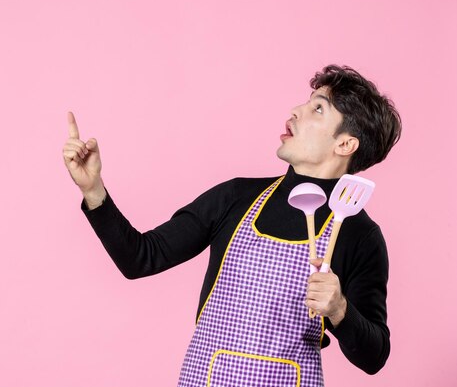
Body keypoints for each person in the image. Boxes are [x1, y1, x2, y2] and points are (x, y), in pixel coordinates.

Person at [62, 65, 402, 386]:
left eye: (318, 109)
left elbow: (375, 356)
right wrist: (93, 189)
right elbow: (140, 258)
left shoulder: (357, 234)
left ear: (345, 144)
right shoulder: (235, 198)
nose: (295, 111)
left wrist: (341, 311)